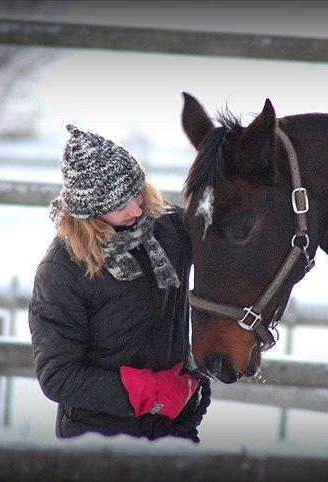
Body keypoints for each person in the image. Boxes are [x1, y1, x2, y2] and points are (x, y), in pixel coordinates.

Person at [29, 125, 210, 442]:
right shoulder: (62, 269)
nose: (137, 209)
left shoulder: (170, 229)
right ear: (90, 212)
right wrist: (150, 393)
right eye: (120, 204)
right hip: (97, 438)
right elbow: (58, 375)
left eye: (137, 193)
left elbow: (228, 236)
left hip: (174, 428)